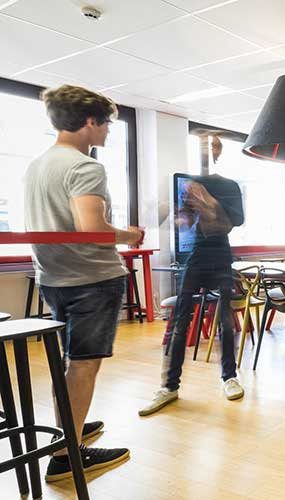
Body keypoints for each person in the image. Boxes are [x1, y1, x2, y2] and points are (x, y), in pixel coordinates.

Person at [24, 85, 144, 481]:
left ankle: (68, 430)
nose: (108, 130)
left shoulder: (37, 165)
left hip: (54, 278)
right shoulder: (85, 166)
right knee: (84, 365)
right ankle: (66, 456)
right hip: (92, 279)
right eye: (106, 123)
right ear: (90, 121)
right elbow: (92, 229)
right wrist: (130, 235)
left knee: (70, 361)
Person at [139, 172, 246, 416]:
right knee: (179, 322)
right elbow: (184, 223)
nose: (212, 153)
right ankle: (169, 386)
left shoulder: (228, 185)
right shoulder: (193, 185)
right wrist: (169, 210)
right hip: (197, 257)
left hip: (221, 256)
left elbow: (231, 223)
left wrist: (207, 203)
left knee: (225, 321)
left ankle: (230, 377)